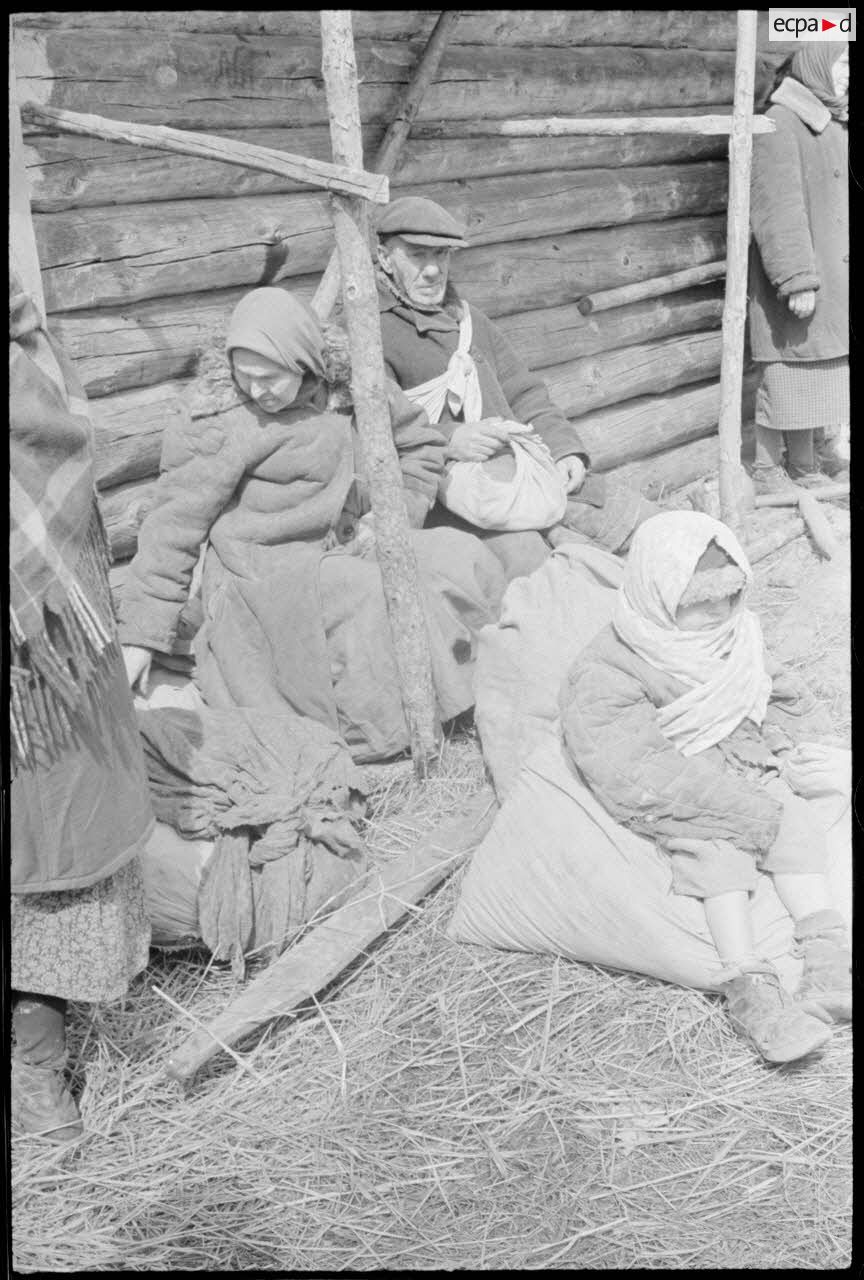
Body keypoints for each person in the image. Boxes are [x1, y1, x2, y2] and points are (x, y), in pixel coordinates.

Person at [119, 288, 507, 762]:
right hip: (263, 574)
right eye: (245, 376)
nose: (256, 390)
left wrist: (394, 518)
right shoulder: (218, 419)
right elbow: (172, 527)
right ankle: (390, 731)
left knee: (459, 555)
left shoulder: (356, 387)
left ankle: (483, 687)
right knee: (368, 593)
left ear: (303, 363)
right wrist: (141, 636)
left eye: (269, 378)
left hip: (351, 542)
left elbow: (420, 446)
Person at [559, 511, 851, 1064]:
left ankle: (827, 959)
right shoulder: (610, 666)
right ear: (658, 594)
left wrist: (809, 742)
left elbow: (779, 689)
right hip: (684, 779)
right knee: (718, 858)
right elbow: (626, 763)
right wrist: (741, 810)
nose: (717, 611)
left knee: (798, 828)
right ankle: (751, 989)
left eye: (729, 595)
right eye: (698, 600)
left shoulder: (736, 636)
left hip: (746, 759)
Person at [10, 272, 154, 1140]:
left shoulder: (26, 369)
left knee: (49, 855)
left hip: (40, 668)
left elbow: (56, 491)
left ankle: (35, 1069)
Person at [374, 196, 668, 574]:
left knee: (647, 524)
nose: (433, 270)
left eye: (442, 255)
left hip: (525, 472)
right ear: (385, 259)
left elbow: (524, 392)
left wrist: (564, 450)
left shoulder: (469, 321)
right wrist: (449, 439)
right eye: (417, 256)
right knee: (543, 569)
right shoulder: (373, 336)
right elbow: (372, 436)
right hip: (456, 502)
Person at [748, 42, 849, 492]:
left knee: (817, 369)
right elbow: (777, 208)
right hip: (798, 275)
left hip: (828, 269)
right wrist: (795, 278)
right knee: (787, 371)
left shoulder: (829, 120)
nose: (848, 73)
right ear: (816, 65)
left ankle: (807, 465)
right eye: (842, 63)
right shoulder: (779, 123)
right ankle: (768, 470)